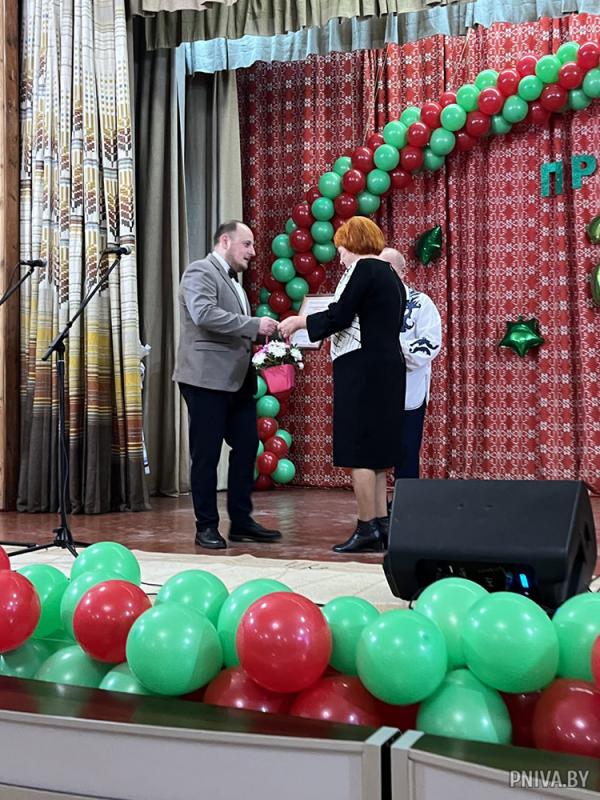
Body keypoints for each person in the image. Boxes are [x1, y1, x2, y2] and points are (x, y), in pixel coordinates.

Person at [279, 217, 406, 553]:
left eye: (342, 250)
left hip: (362, 368)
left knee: (359, 449)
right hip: (388, 368)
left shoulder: (363, 269)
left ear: (353, 243)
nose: (341, 257)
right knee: (377, 453)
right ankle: (381, 525)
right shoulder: (391, 275)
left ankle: (366, 527)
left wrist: (300, 322)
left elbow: (340, 315)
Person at [173, 220, 282, 549]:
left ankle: (241, 521)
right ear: (225, 241)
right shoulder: (200, 271)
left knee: (247, 446)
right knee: (206, 455)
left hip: (237, 380)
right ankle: (206, 526)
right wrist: (254, 324)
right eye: (247, 244)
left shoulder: (235, 283)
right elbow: (204, 315)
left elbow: (234, 328)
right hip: (206, 379)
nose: (253, 251)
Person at [380, 247, 442, 483]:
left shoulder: (421, 303)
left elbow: (430, 343)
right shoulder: (369, 304)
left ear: (403, 272)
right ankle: (376, 500)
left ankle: (404, 499)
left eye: (390, 269)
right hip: (376, 389)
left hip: (408, 387)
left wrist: (392, 352)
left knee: (406, 449)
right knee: (376, 451)